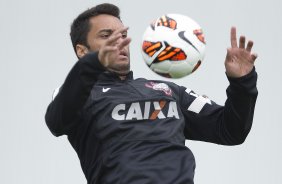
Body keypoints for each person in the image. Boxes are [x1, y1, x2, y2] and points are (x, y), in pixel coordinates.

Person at [45, 3, 258, 184]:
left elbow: (231, 130)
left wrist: (242, 83)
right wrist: (94, 64)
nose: (118, 42)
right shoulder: (80, 93)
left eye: (123, 35)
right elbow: (57, 121)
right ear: (82, 51)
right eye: (106, 36)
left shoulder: (169, 91)